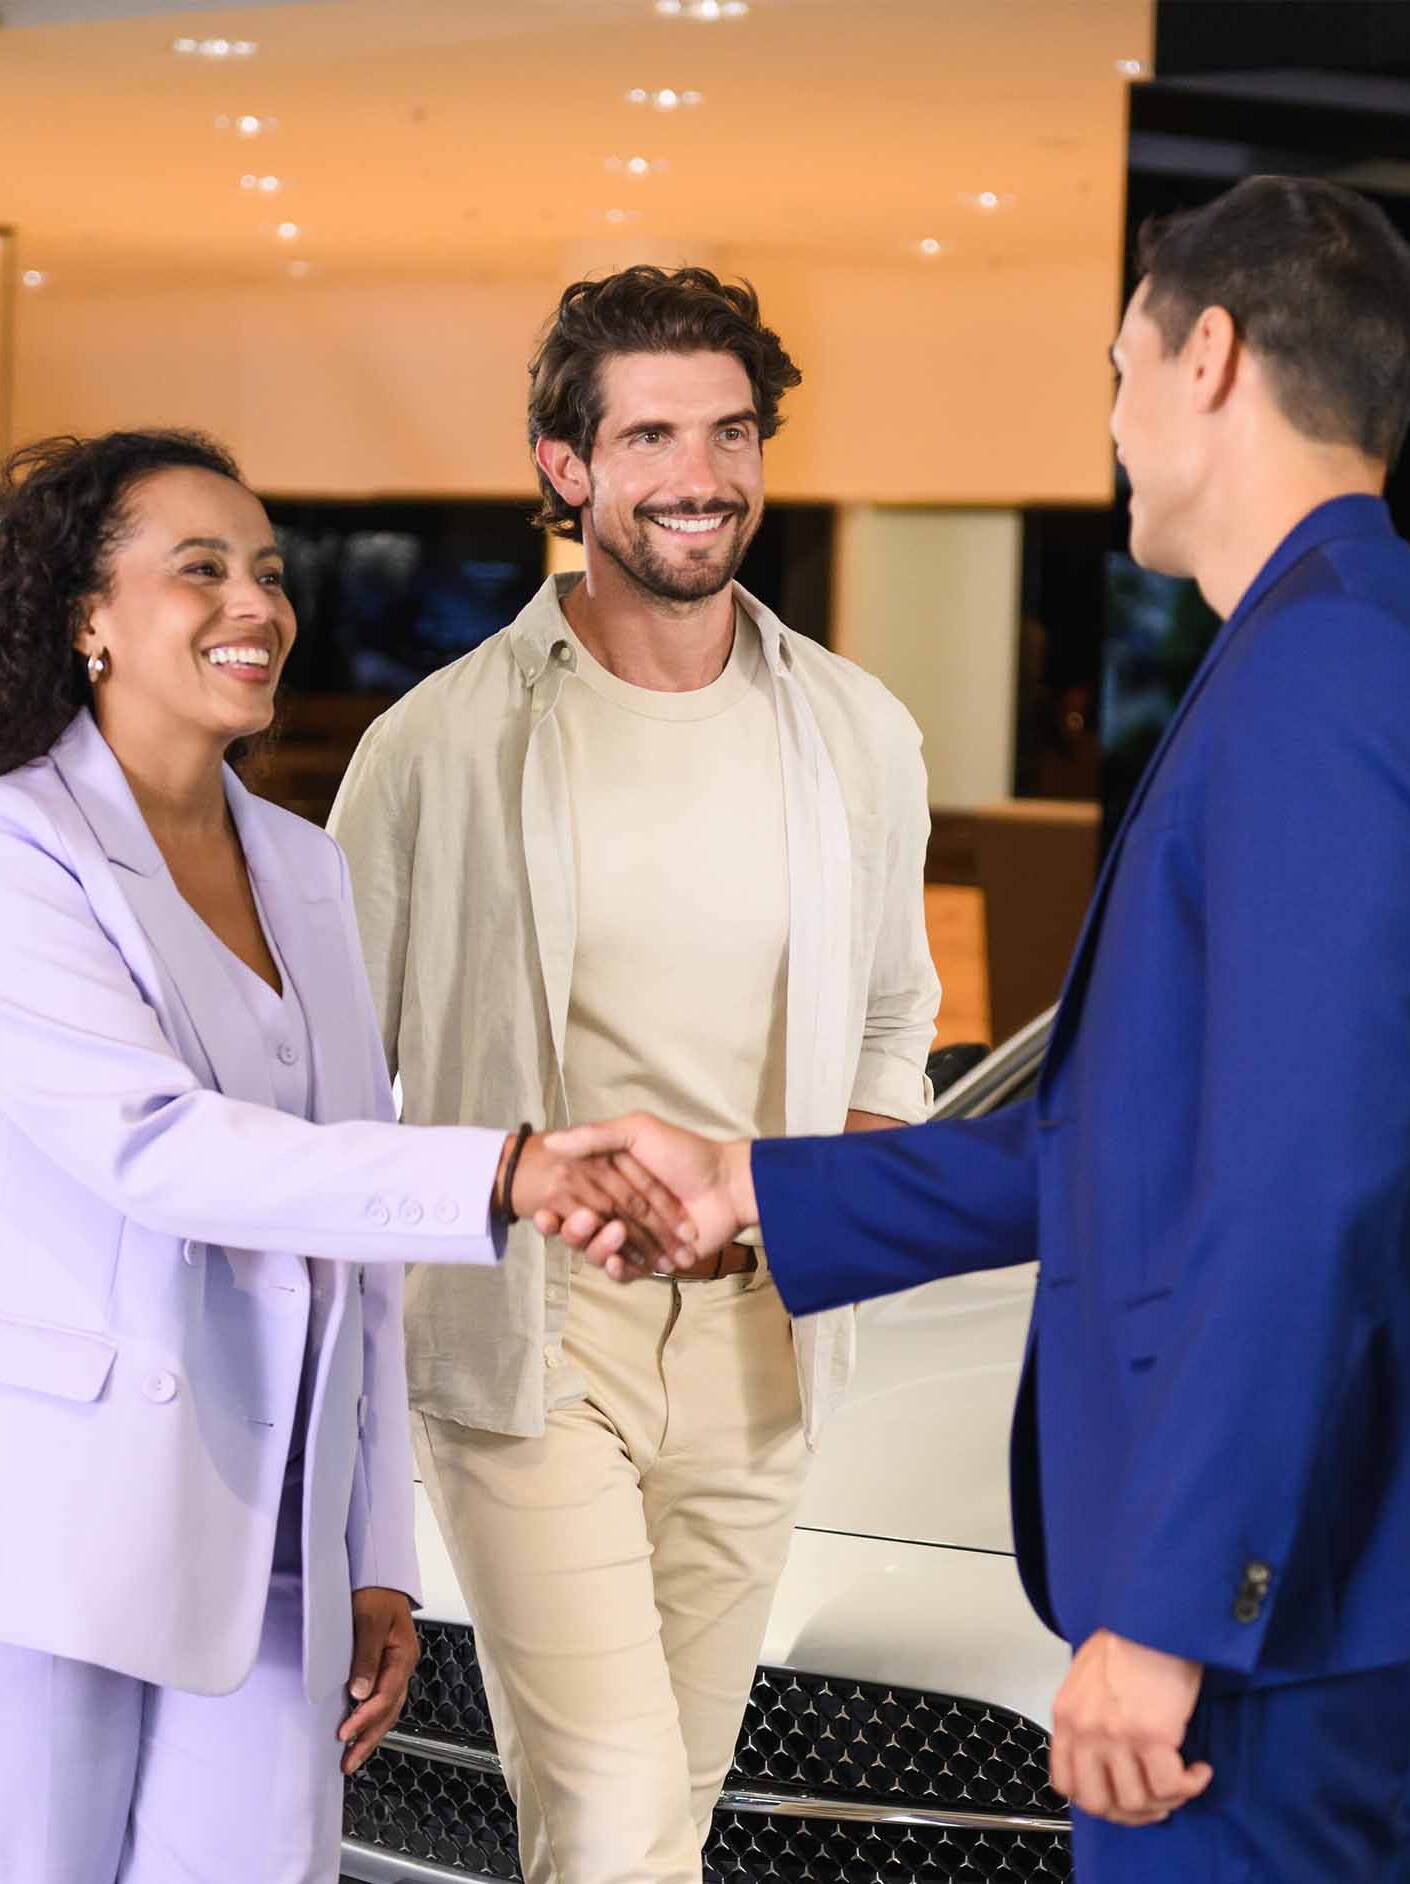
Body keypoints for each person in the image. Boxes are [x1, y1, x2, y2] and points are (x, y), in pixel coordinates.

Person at [551, 177, 1410, 1882]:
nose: (1104, 426)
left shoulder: (1327, 676)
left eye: (1115, 371)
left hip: (1271, 1648)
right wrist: (748, 1188)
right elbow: (1120, 1143)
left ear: (1210, 358)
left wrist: (1172, 1611)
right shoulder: (1316, 653)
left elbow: (1308, 1180)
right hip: (1290, 1624)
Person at [0, 429, 687, 1884]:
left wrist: (375, 1548)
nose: (257, 603)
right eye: (202, 571)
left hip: (279, 1538)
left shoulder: (301, 863)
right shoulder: (16, 850)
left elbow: (353, 1226)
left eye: (266, 569)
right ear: (85, 617)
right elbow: (158, 1151)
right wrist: (501, 1170)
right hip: (57, 1530)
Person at [328, 265, 939, 1883]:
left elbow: (890, 1029)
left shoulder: (857, 731)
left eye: (731, 430)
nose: (701, 473)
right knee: (609, 1815)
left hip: (764, 1338)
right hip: (534, 1339)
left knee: (668, 1799)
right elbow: (337, 1082)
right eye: (653, 431)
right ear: (565, 465)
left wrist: (808, 1213)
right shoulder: (440, 746)